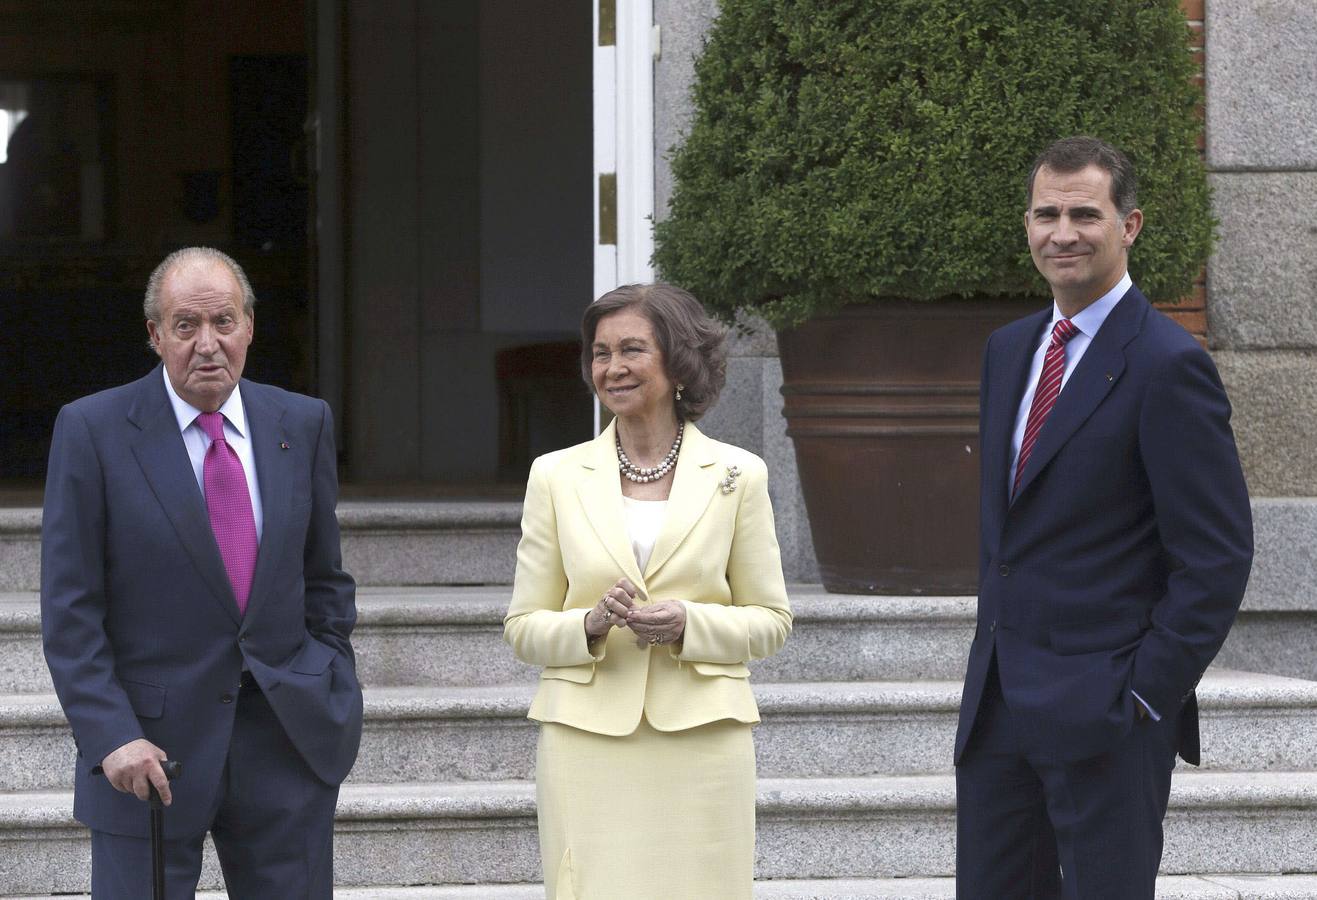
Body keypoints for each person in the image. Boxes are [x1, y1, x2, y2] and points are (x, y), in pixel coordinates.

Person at [953, 136, 1254, 899]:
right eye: (1044, 213)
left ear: (1130, 225)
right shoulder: (1007, 350)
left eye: (1083, 213)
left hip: (1107, 716)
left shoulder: (1167, 364)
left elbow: (1215, 558)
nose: (1062, 232)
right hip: (997, 713)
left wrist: (1146, 695)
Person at [41, 246, 362, 897]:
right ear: (155, 335)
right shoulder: (93, 431)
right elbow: (71, 612)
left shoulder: (301, 424)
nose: (207, 343)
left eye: (223, 321)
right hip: (147, 755)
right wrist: (112, 737)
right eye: (186, 325)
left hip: (285, 743)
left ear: (250, 325)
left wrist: (328, 677)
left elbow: (324, 578)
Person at [504, 282, 792, 900]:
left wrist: (689, 622)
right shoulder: (555, 476)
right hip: (585, 739)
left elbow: (771, 620)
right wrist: (588, 625)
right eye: (601, 353)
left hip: (703, 738)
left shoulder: (738, 475)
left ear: (679, 361)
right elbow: (523, 627)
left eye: (632, 349)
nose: (613, 367)